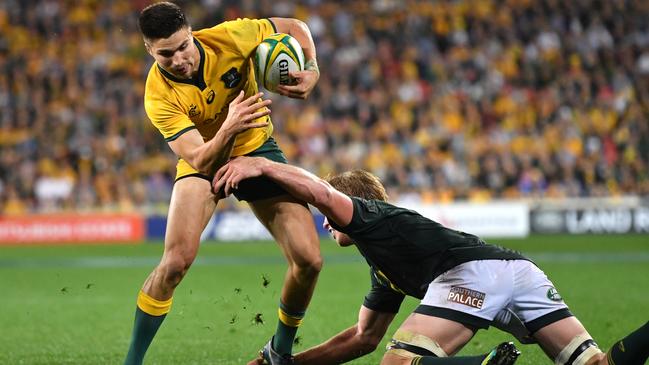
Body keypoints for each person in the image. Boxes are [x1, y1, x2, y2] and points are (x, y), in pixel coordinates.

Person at [213, 157, 649, 365]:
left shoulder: (371, 216)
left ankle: (484, 364)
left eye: (328, 218)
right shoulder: (382, 258)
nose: (325, 224)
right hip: (519, 272)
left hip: (473, 275)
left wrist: (261, 165)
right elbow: (362, 337)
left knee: (400, 362)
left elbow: (323, 194)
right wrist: (286, 363)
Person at [124, 3, 322, 365]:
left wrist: (311, 69)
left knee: (308, 260)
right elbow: (200, 159)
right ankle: (131, 361)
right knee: (175, 263)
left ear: (191, 33)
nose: (179, 59)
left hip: (257, 148)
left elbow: (294, 26)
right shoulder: (157, 95)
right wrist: (229, 126)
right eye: (165, 54)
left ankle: (279, 350)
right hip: (206, 159)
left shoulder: (230, 37)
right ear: (149, 50)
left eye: (183, 46)